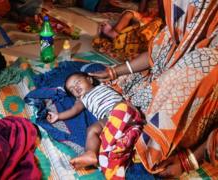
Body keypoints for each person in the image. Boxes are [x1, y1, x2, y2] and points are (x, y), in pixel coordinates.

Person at [89, 0, 218, 178]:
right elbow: (154, 55)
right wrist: (113, 72)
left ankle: (147, 142)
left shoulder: (207, 60)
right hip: (160, 86)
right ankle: (129, 121)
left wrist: (190, 160)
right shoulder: (184, 21)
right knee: (106, 87)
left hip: (186, 120)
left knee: (204, 61)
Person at [46, 72, 144, 169]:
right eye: (72, 89)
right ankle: (90, 153)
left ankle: (130, 132)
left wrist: (103, 74)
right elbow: (73, 110)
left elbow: (110, 77)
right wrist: (58, 116)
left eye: (77, 82)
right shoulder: (82, 99)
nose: (75, 88)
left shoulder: (102, 85)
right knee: (92, 129)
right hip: (109, 119)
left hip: (123, 109)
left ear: (90, 80)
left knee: (119, 107)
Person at [92, 0, 163, 61]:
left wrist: (148, 16)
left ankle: (114, 33)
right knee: (127, 14)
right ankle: (115, 33)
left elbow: (160, 15)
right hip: (147, 18)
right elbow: (141, 11)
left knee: (128, 14)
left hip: (153, 21)